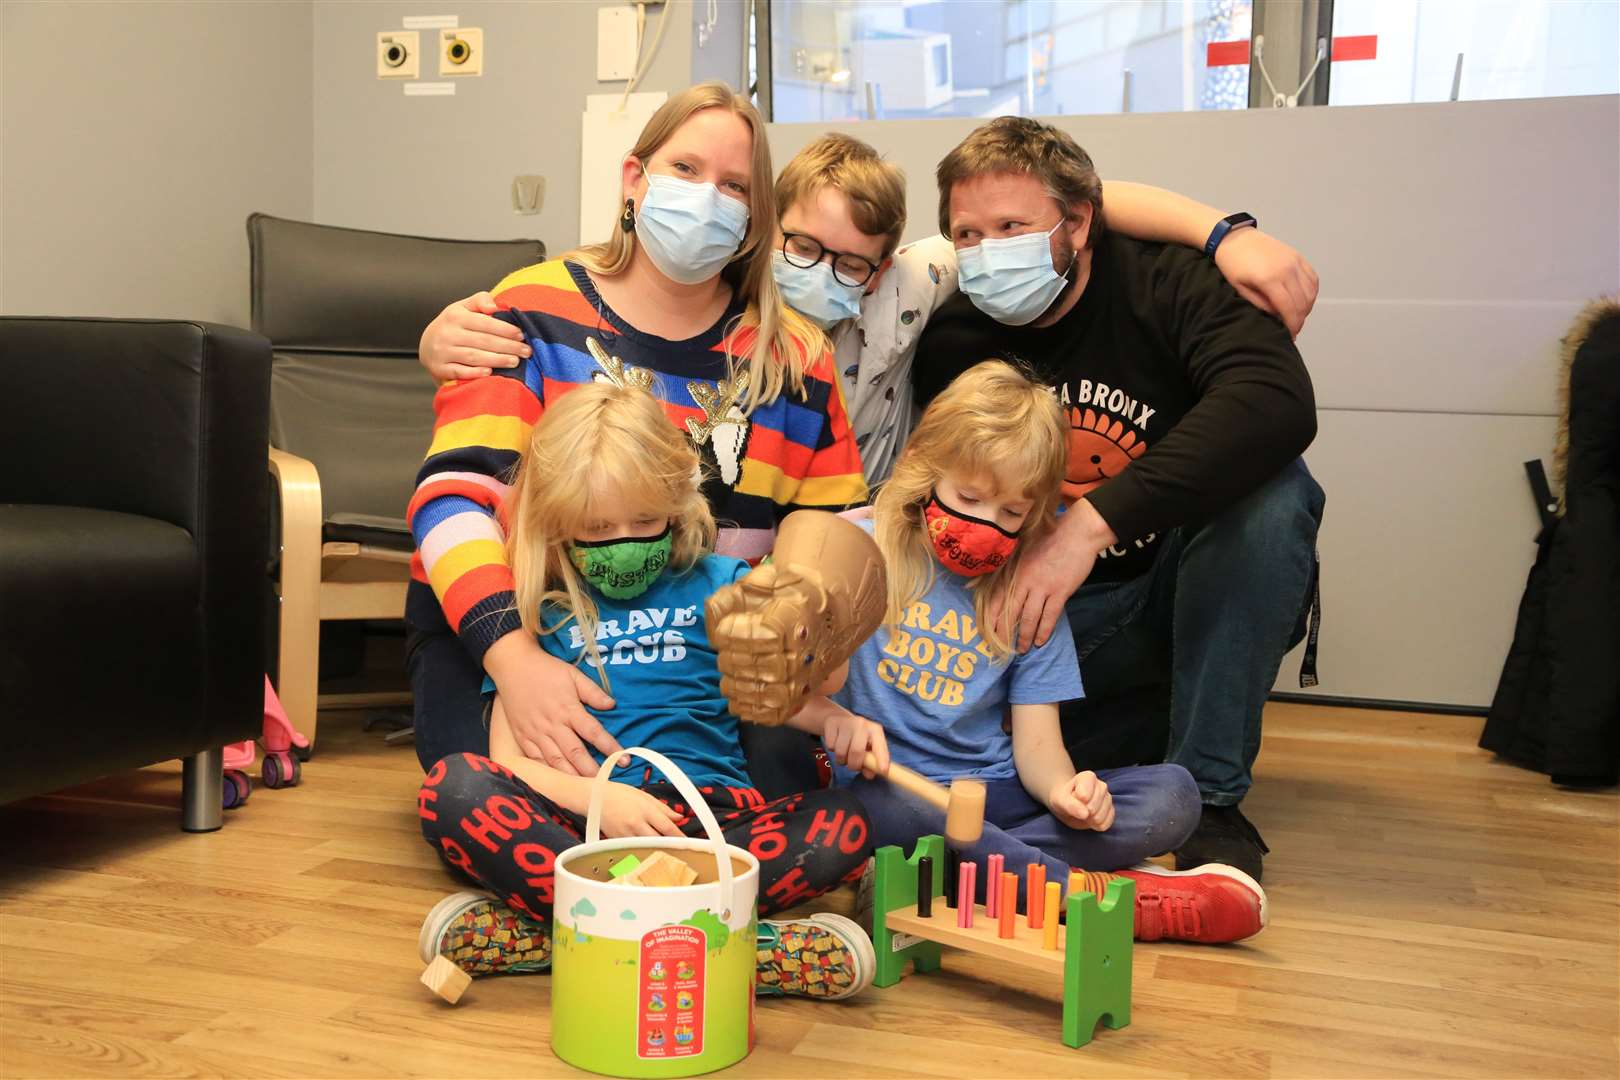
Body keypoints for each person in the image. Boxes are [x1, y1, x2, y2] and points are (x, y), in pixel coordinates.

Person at [404, 82, 865, 797]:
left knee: (785, 791)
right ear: (634, 178)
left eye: (736, 186)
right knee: (499, 789)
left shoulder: (796, 357)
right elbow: (449, 502)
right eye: (686, 169)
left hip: (700, 651)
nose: (709, 197)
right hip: (525, 627)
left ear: (755, 220)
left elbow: (829, 522)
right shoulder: (527, 310)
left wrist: (802, 624)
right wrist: (515, 661)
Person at [419, 135, 1319, 488]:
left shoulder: (918, 281)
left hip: (869, 523)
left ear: (884, 261)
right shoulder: (719, 286)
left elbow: (1058, 206)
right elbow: (607, 297)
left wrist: (1223, 234)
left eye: (850, 260)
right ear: (765, 232)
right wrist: (438, 334)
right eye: (801, 248)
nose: (820, 272)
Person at [911, 116, 1324, 882]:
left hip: (1176, 592)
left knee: (1275, 495)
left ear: (1079, 223)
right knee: (1043, 762)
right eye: (966, 234)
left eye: (1012, 227)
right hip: (1041, 627)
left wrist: (1086, 530)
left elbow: (1278, 404)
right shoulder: (952, 339)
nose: (988, 251)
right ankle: (1094, 777)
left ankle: (1214, 800)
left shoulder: (1167, 282)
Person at [417, 381, 876, 999]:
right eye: (597, 527)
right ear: (557, 525)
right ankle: (739, 953)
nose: (624, 541)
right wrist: (599, 802)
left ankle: (564, 942)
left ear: (678, 504)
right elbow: (508, 762)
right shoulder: (543, 616)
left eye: (645, 520)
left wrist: (834, 721)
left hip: (711, 829)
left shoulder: (724, 585)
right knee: (454, 789)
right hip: (588, 832)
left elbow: (782, 688)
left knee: (842, 824)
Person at [795, 361, 1266, 944]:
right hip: (895, 790)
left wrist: (1069, 794)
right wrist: (834, 718)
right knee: (874, 813)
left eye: (1013, 513)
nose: (987, 523)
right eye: (969, 496)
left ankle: (950, 876)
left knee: (1174, 795)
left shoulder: (1028, 591)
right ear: (926, 469)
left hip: (996, 798)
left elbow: (1039, 747)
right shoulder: (859, 551)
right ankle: (1094, 898)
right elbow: (779, 693)